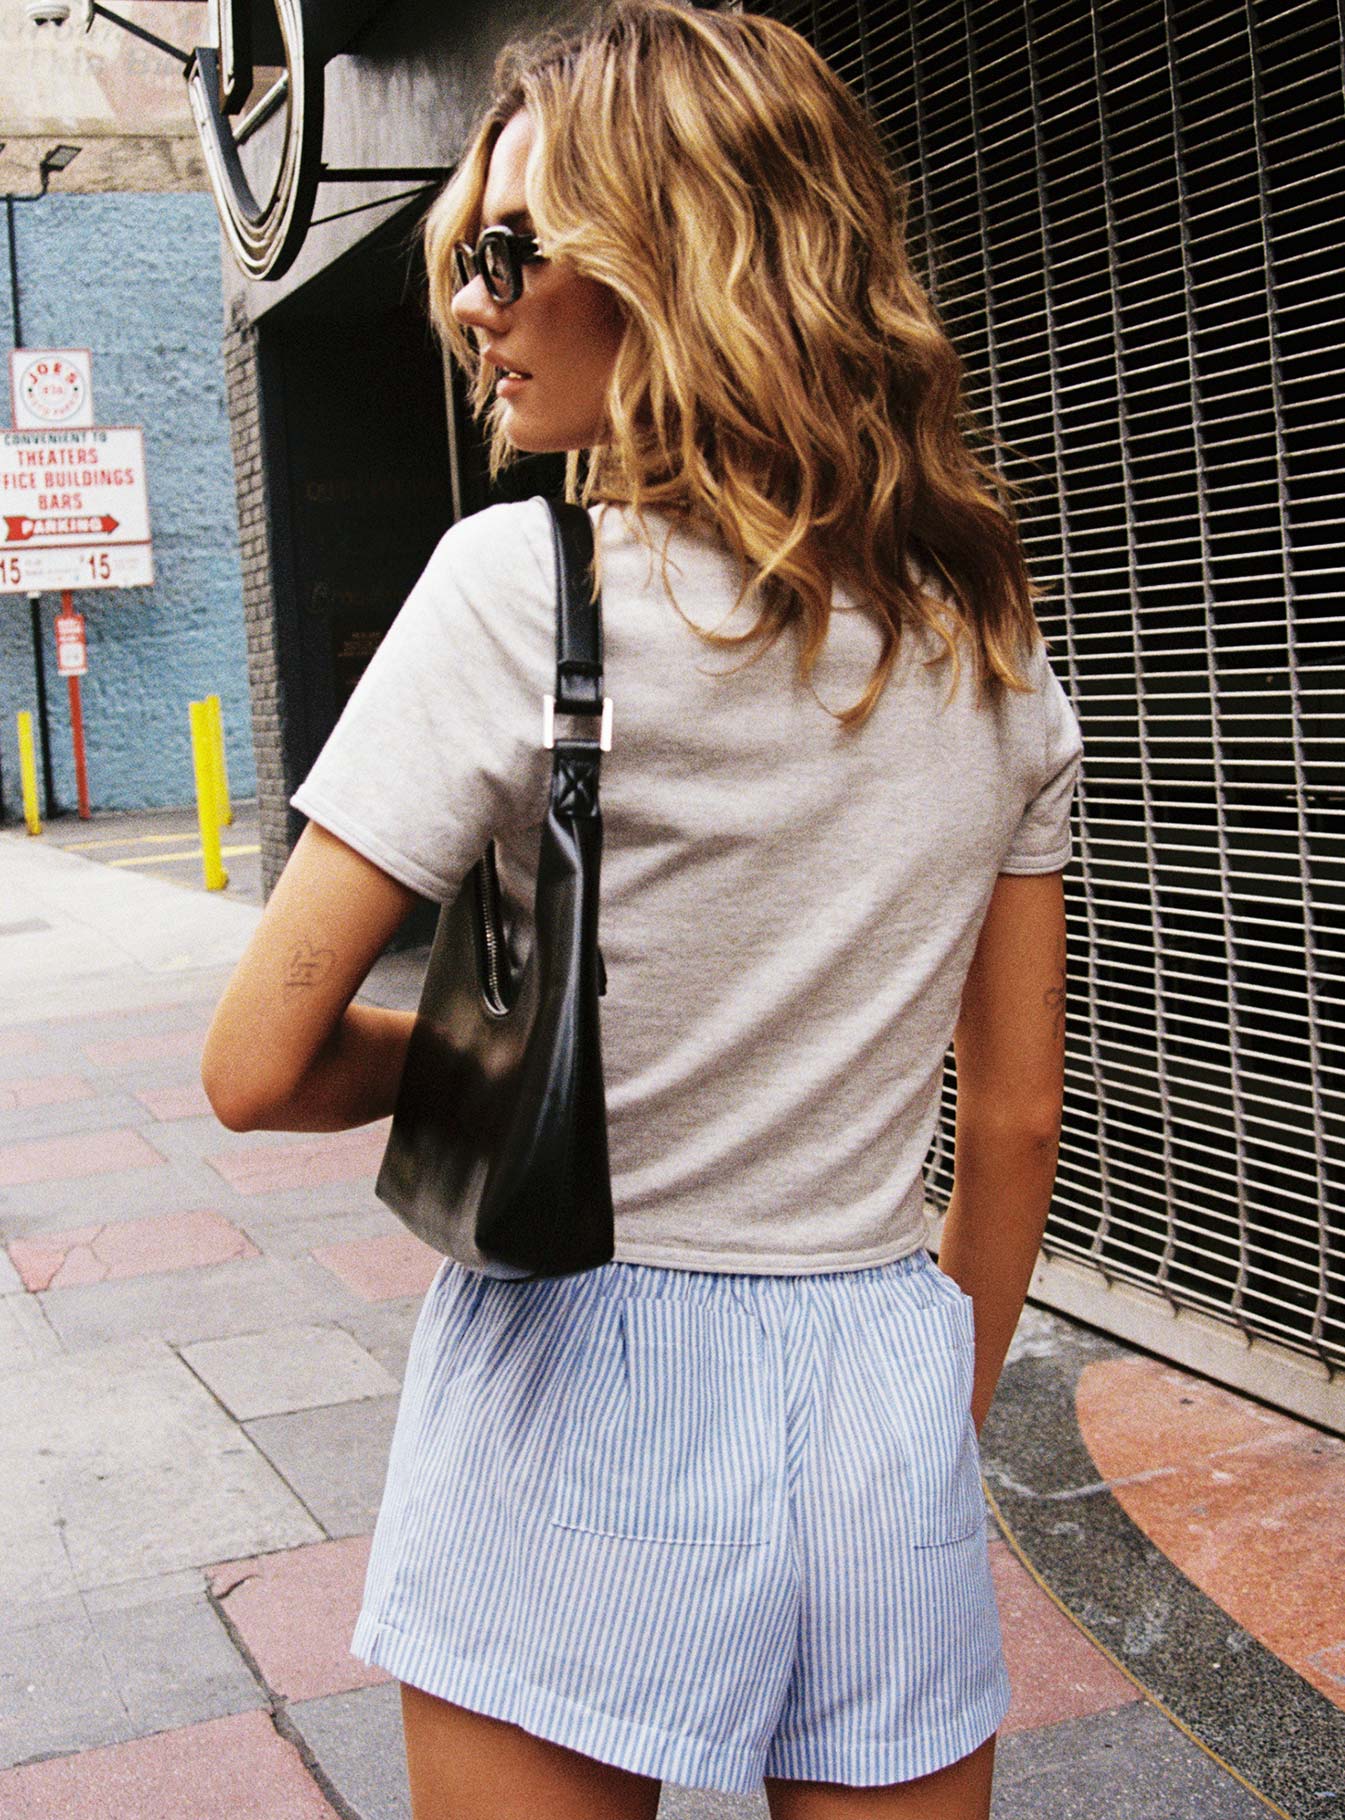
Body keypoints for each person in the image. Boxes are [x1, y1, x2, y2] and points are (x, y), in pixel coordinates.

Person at [202, 4, 1082, 1816]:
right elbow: (1007, 1117)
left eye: (512, 255)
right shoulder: (988, 643)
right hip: (874, 1370)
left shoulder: (517, 595)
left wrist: (471, 1066)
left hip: (573, 1375)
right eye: (467, 259)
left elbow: (255, 1066)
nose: (471, 304)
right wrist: (937, 1413)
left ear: (680, 264)